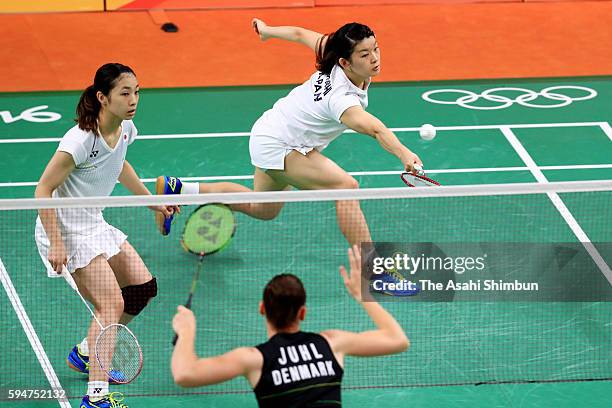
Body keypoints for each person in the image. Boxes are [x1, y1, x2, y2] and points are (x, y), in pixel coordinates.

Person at [155, 19, 422, 295]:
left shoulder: (333, 49)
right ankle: (374, 271)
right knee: (346, 188)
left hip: (270, 131)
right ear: (344, 62)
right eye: (365, 55)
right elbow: (375, 129)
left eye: (376, 49)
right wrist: (404, 152)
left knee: (264, 210)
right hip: (278, 144)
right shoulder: (341, 99)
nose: (375, 59)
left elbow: (298, 33)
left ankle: (180, 189)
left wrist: (267, 31)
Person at [34, 63, 177, 408]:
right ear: (102, 97)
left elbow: (120, 164)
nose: (133, 100)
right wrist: (57, 241)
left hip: (93, 222)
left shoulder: (126, 129)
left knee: (143, 290)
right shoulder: (81, 140)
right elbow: (43, 189)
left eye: (137, 91)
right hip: (65, 228)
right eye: (125, 93)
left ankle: (86, 352)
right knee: (110, 304)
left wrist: (151, 202)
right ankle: (95, 399)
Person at [171, 245, 409, 407]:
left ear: (262, 309)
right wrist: (362, 295)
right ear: (303, 313)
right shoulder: (332, 343)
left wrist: (186, 331)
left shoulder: (254, 359)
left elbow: (184, 374)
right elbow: (397, 339)